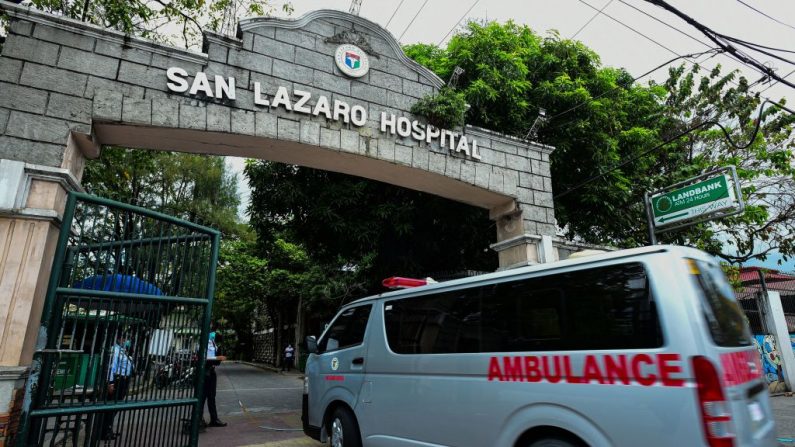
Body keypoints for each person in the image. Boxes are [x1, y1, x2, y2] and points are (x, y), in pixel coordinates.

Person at [101, 334, 133, 440]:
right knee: (111, 407)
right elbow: (112, 366)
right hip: (117, 380)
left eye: (127, 339)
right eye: (125, 338)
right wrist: (110, 382)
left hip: (124, 380)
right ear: (119, 339)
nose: (127, 341)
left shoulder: (123, 351)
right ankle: (104, 432)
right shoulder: (115, 350)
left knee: (115, 407)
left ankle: (108, 429)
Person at [201, 330, 227, 428]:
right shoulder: (204, 341)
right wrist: (218, 358)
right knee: (202, 396)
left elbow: (214, 358)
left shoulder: (212, 341)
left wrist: (218, 356)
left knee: (212, 396)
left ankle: (214, 419)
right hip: (204, 372)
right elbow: (205, 358)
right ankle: (199, 419)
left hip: (211, 372)